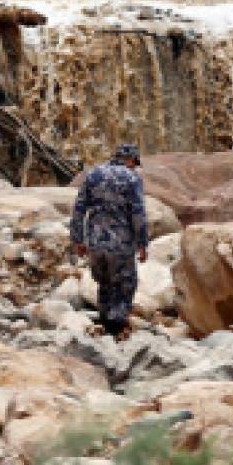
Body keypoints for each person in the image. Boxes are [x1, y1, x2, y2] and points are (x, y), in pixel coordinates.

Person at [69, 142, 150, 339]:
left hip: (95, 243)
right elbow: (138, 214)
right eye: (134, 162)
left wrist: (77, 239)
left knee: (104, 282)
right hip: (121, 244)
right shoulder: (132, 178)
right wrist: (143, 243)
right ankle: (118, 327)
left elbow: (79, 208)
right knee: (125, 283)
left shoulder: (93, 174)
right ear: (130, 160)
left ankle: (105, 321)